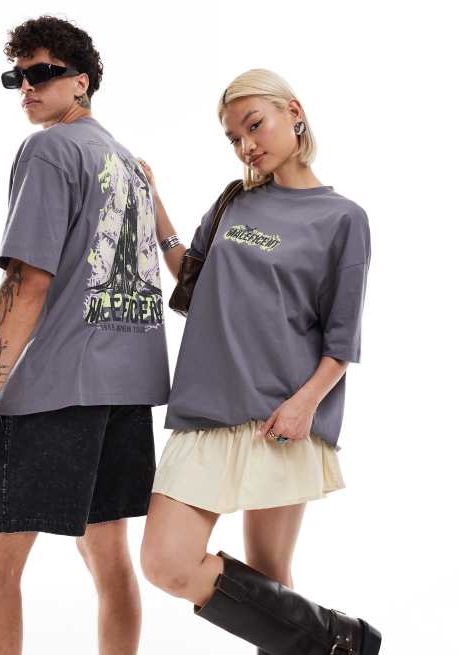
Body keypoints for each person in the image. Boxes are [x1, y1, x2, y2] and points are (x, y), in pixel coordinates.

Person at [138, 68, 381, 654]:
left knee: (272, 581)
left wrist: (305, 405)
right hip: (204, 410)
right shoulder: (235, 202)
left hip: (279, 416)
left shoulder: (342, 218)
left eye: (254, 125)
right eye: (234, 137)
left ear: (293, 112)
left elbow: (342, 338)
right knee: (166, 562)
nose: (247, 145)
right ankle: (340, 641)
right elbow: (190, 278)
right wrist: (155, 204)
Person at [0, 15, 170, 655]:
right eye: (17, 77)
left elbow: (27, 283)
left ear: (82, 81)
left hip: (56, 390)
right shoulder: (128, 164)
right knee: (109, 559)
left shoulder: (49, 151)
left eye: (42, 73)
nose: (27, 87)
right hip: (125, 391)